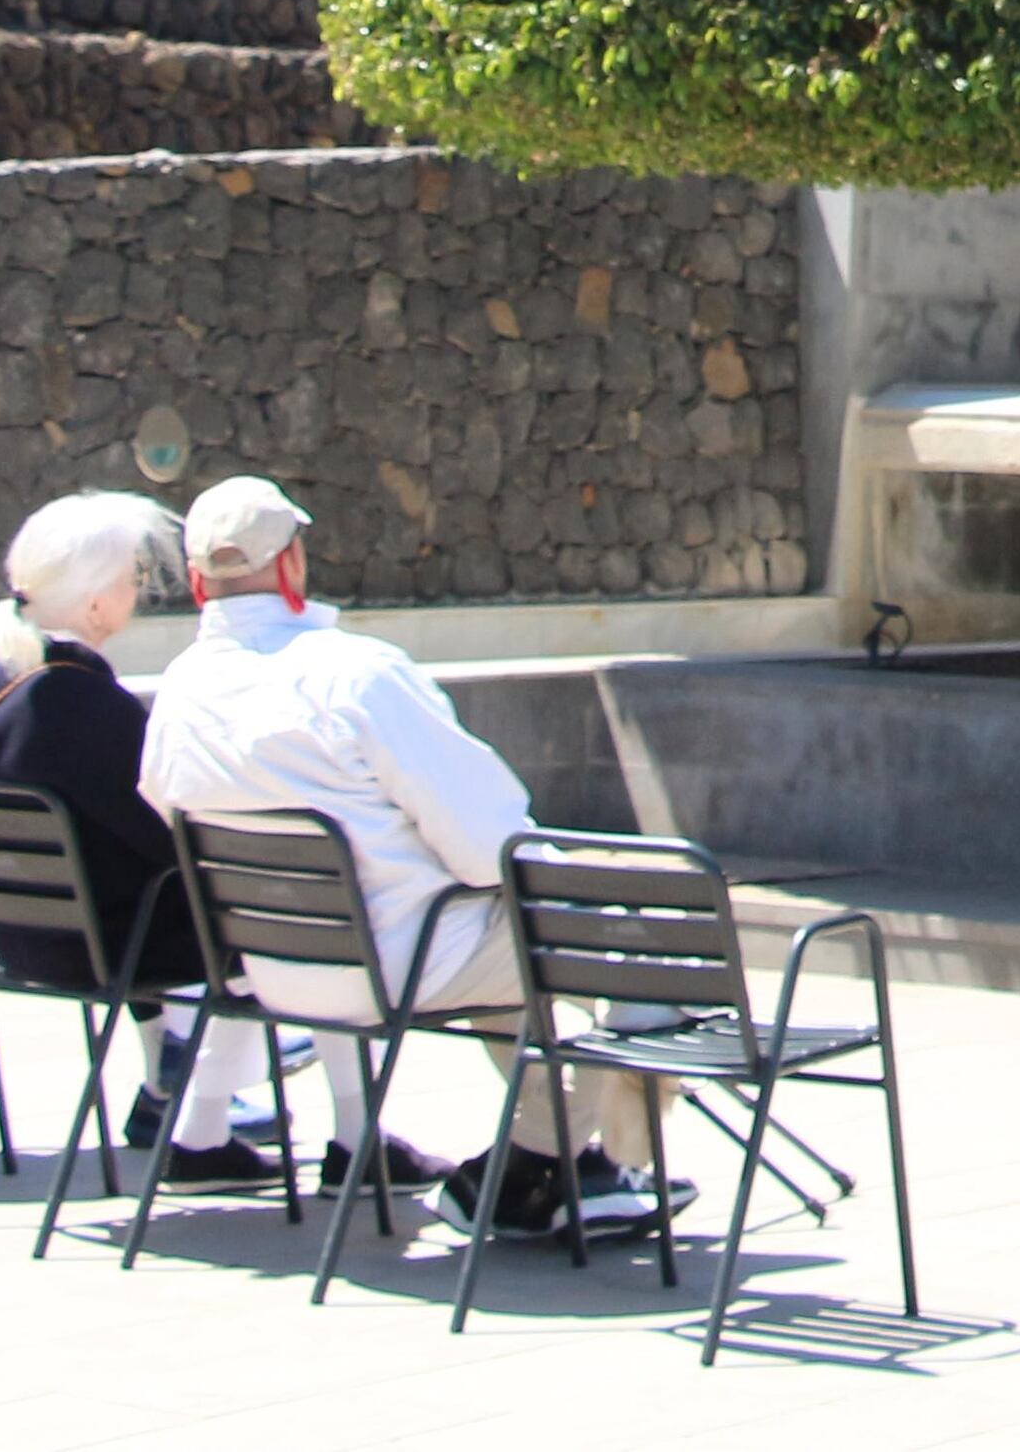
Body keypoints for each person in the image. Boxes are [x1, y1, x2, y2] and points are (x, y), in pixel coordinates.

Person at [134, 476, 668, 1241]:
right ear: (293, 566)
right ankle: (539, 1171)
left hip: (279, 966)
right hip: (403, 958)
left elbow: (169, 811)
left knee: (523, 968)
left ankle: (571, 1167)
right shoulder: (357, 673)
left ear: (195, 582)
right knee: (613, 944)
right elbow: (494, 849)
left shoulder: (181, 689)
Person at [0, 489, 404, 1196]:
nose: (139, 590)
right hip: (110, 942)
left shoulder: (0, 675)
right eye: (131, 578)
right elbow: (174, 830)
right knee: (301, 906)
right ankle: (351, 1140)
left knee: (268, 904)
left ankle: (201, 1132)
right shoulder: (72, 701)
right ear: (97, 604)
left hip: (39, 931)